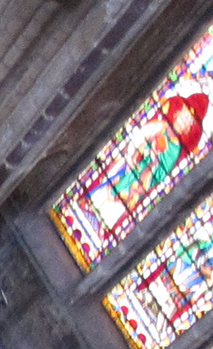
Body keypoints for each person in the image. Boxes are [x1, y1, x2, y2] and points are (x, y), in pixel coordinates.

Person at [86, 91, 210, 244]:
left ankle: (101, 229)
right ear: (178, 113)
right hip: (126, 165)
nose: (183, 121)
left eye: (188, 121)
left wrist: (152, 162)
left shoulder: (175, 149)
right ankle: (88, 205)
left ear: (189, 128)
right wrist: (136, 152)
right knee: (106, 187)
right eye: (184, 115)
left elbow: (162, 172)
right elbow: (141, 135)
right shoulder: (161, 125)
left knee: (117, 205)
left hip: (140, 181)